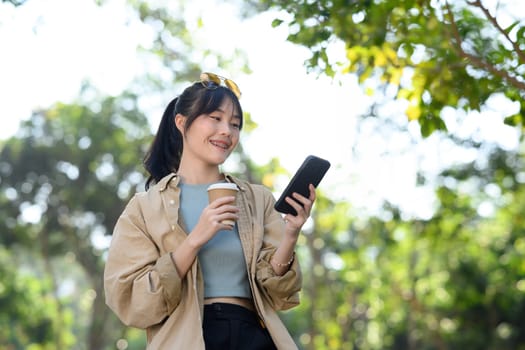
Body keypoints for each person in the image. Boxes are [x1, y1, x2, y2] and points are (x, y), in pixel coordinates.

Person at [103, 72, 316, 349]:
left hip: (253, 336)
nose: (227, 131)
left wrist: (290, 234)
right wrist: (194, 239)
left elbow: (279, 296)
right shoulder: (145, 208)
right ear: (181, 123)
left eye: (235, 124)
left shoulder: (256, 199)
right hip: (187, 338)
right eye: (215, 118)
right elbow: (130, 301)